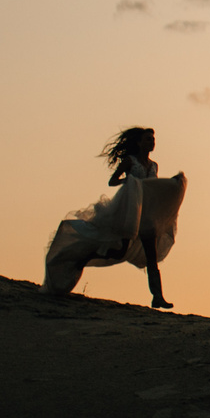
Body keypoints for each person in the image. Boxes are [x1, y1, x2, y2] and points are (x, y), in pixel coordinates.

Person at [42, 126, 186, 308]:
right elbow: (112, 181)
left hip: (147, 215)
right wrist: (129, 182)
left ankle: (158, 297)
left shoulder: (154, 165)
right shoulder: (130, 161)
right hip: (130, 210)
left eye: (153, 139)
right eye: (148, 139)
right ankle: (82, 259)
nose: (152, 142)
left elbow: (153, 186)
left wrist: (173, 182)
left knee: (151, 256)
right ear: (139, 142)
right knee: (119, 251)